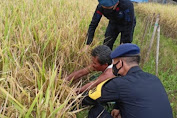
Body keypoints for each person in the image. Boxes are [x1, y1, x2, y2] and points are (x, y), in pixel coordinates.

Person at [82, 43, 173, 118]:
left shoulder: (119, 83)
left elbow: (89, 98)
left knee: (96, 111)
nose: (113, 67)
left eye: (114, 64)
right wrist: (118, 108)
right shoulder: (154, 79)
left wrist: (71, 100)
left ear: (121, 63)